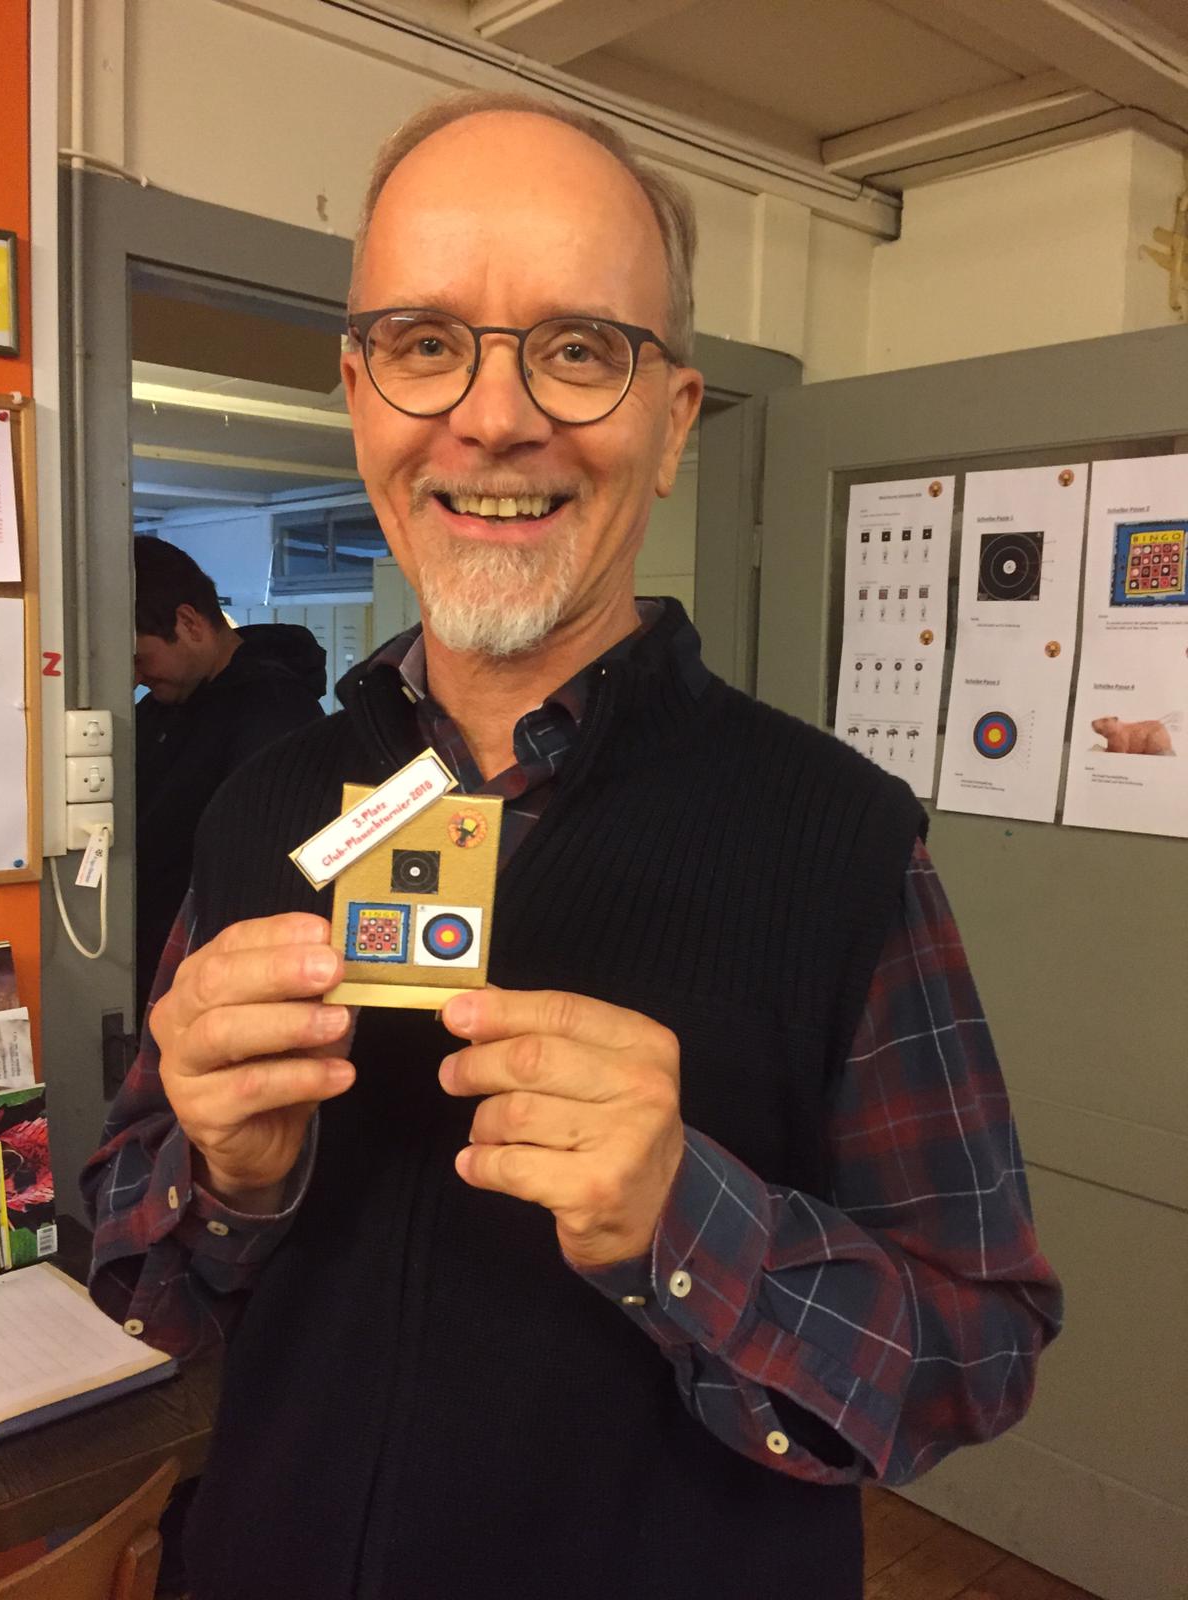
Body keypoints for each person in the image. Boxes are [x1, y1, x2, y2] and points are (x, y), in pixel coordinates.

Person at [86, 94, 1061, 1600]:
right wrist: (231, 1175)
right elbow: (139, 1267)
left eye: (580, 348)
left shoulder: (841, 840)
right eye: (426, 342)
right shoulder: (259, 808)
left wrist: (689, 1214)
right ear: (360, 396)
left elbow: (975, 1354)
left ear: (671, 422)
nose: (494, 417)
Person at [132, 537, 326, 1014]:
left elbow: (269, 873)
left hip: (213, 980)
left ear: (189, 623)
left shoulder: (275, 712)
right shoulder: (163, 705)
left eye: (139, 658)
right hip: (148, 969)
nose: (136, 677)